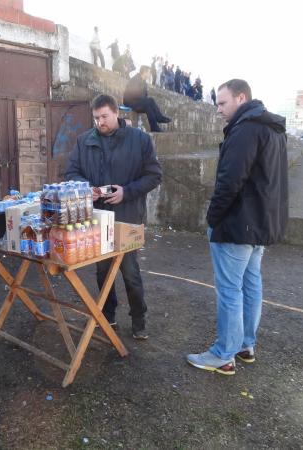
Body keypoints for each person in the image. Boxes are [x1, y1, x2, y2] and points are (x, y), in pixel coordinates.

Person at [187, 79, 288, 375]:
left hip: (238, 224)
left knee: (231, 290)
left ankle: (223, 354)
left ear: (241, 98)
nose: (218, 109)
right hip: (259, 225)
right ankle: (245, 344)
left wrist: (213, 217)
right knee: (250, 283)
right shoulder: (271, 128)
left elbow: (230, 181)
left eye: (222, 103)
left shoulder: (245, 130)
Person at [64, 94, 162, 339]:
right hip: (97, 217)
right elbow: (71, 172)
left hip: (127, 216)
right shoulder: (84, 141)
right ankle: (107, 316)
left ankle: (138, 321)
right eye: (96, 118)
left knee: (130, 272)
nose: (100, 122)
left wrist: (126, 192)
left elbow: (154, 175)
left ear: (116, 113)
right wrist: (86, 187)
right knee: (102, 272)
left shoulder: (139, 140)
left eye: (104, 117)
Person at [123, 65, 171, 132]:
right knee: (150, 100)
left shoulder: (144, 82)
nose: (150, 74)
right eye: (149, 72)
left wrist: (144, 100)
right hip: (130, 102)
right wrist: (144, 99)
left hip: (138, 102)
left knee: (148, 106)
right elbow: (133, 94)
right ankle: (159, 117)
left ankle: (154, 127)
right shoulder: (135, 79)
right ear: (144, 72)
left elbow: (145, 95)